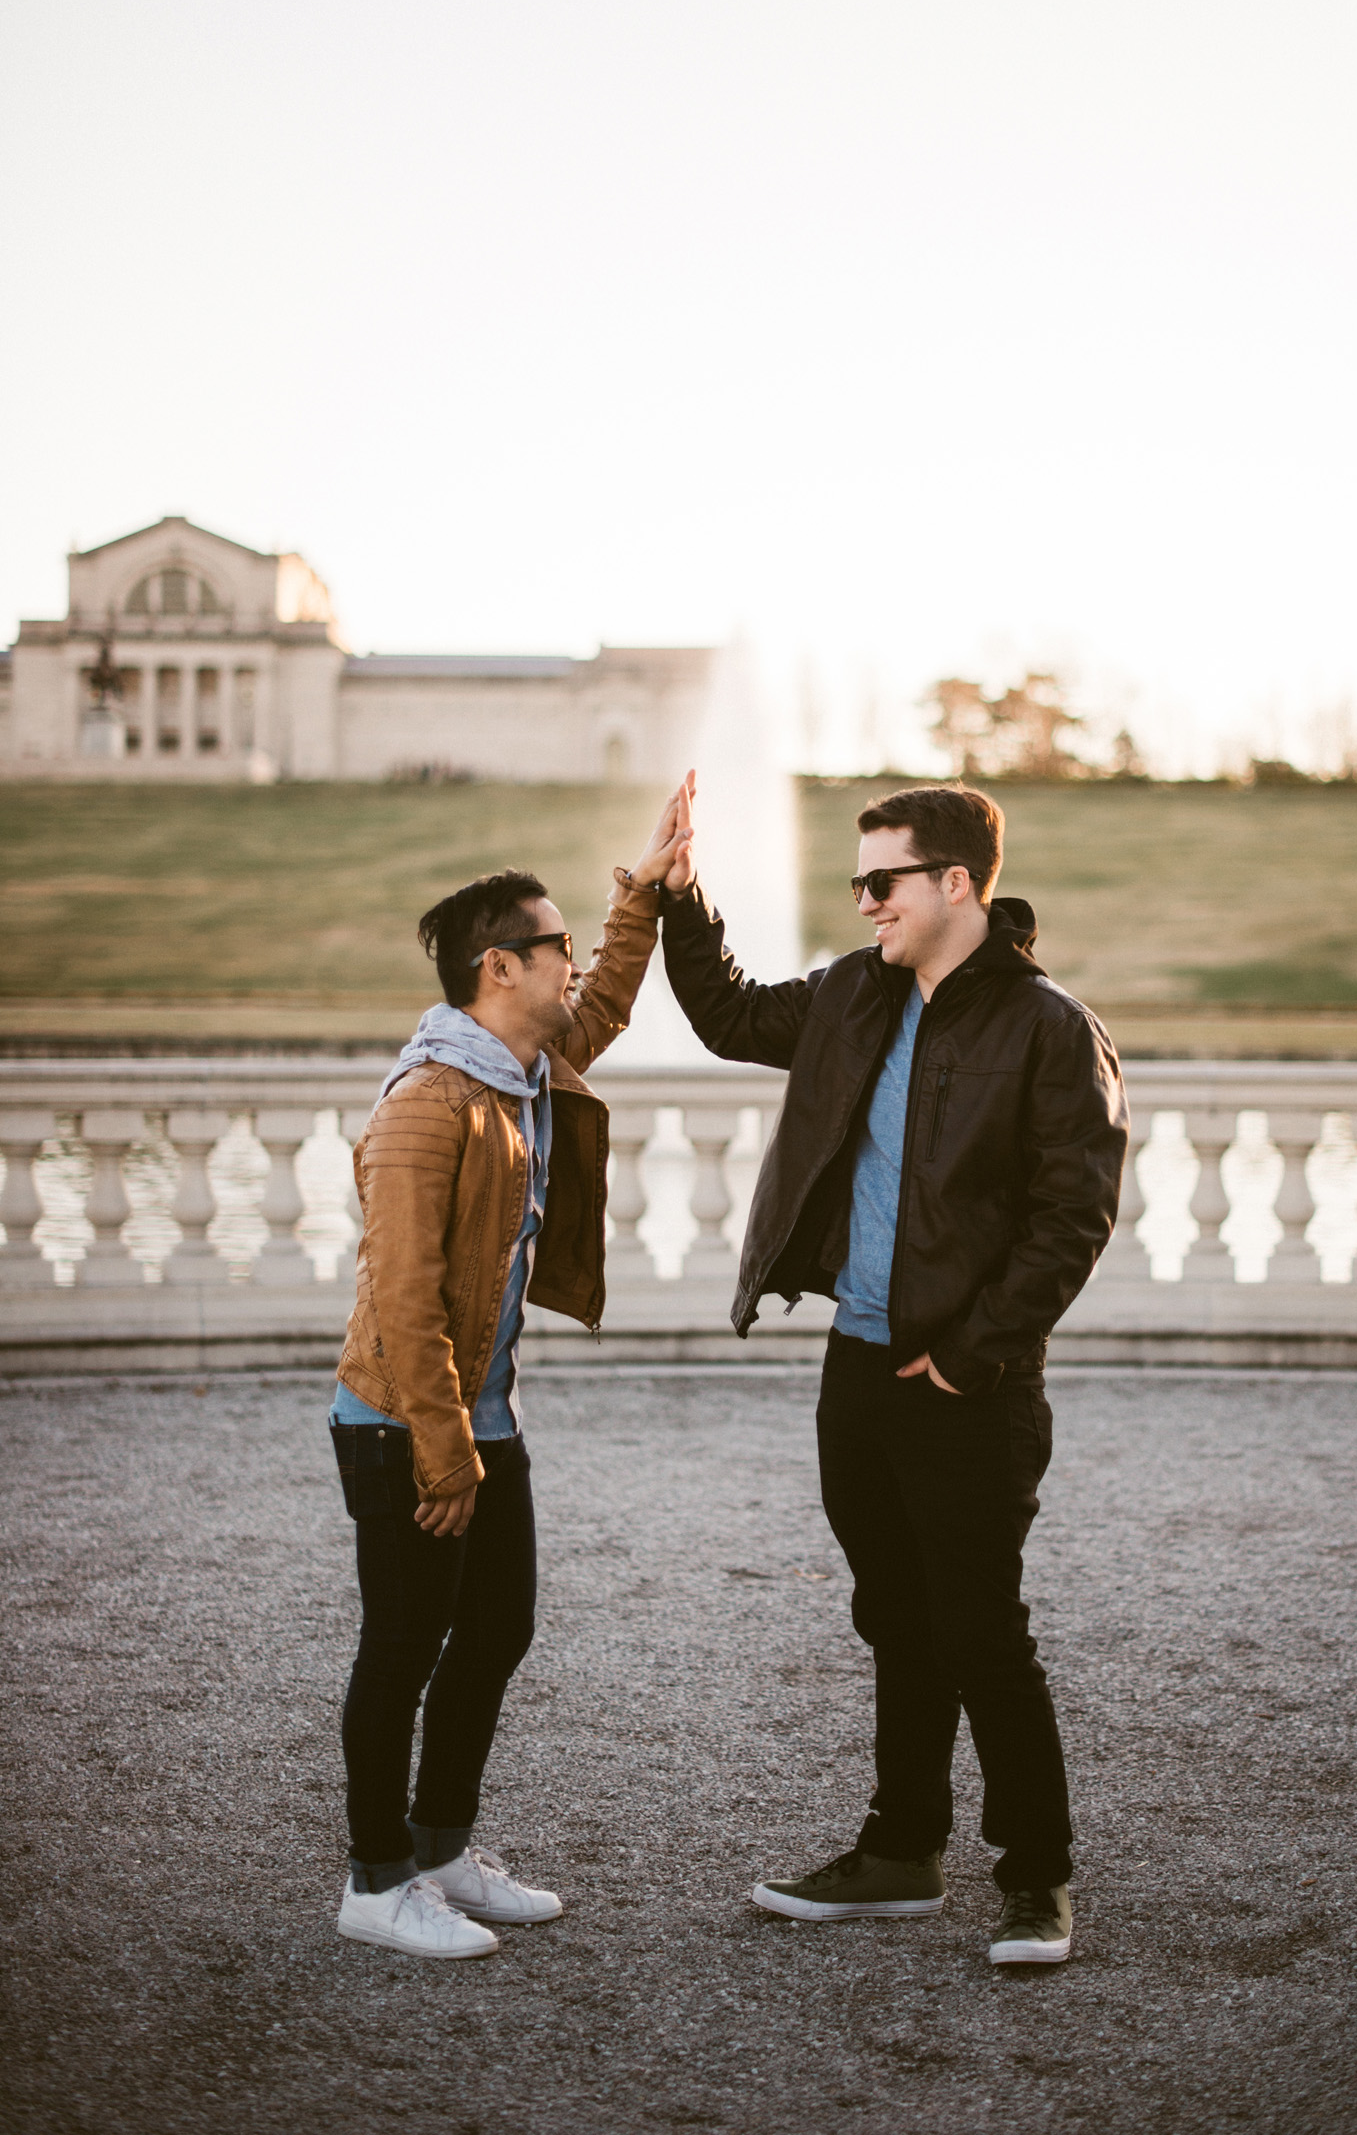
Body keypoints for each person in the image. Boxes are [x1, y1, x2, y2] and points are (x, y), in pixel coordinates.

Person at [659, 776, 1127, 1965]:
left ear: (954, 882)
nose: (862, 901)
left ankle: (1035, 1876)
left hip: (967, 1385)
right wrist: (679, 897)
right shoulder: (851, 996)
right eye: (856, 880)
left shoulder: (1046, 1027)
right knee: (895, 1618)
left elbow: (1071, 1217)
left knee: (978, 1628)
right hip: (854, 1368)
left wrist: (970, 1353)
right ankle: (901, 1851)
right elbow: (722, 1015)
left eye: (882, 880)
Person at [330, 787, 692, 1958]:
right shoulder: (427, 1108)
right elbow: (402, 1303)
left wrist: (642, 884)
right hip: (401, 1418)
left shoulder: (524, 1065)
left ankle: (440, 1850)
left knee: (495, 1632)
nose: (571, 966)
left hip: (484, 1416)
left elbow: (610, 1003)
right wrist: (444, 1453)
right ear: (498, 968)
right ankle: (374, 1878)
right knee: (403, 1643)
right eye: (555, 949)